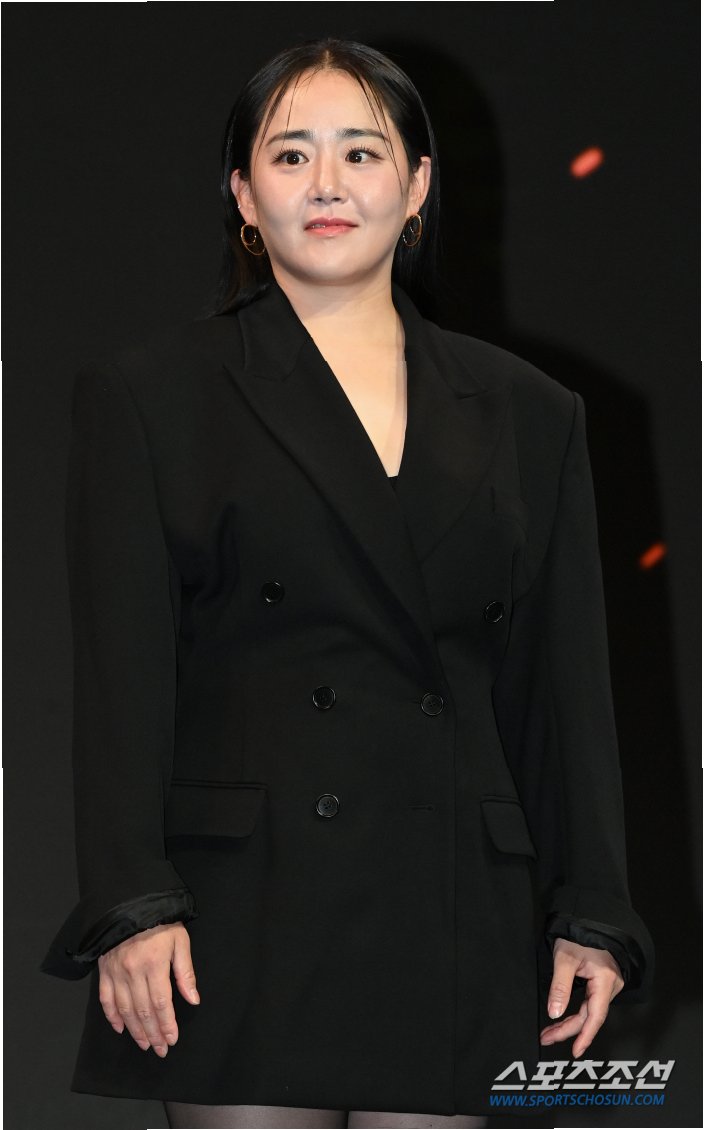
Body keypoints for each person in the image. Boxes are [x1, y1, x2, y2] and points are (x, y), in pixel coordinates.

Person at [41, 36, 654, 1130]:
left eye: (361, 153)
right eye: (290, 155)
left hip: (454, 901)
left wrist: (592, 911)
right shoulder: (149, 396)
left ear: (415, 186)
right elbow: (121, 677)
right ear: (243, 195)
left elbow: (562, 691)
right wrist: (132, 901)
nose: (326, 183)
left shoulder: (531, 412)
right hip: (241, 907)